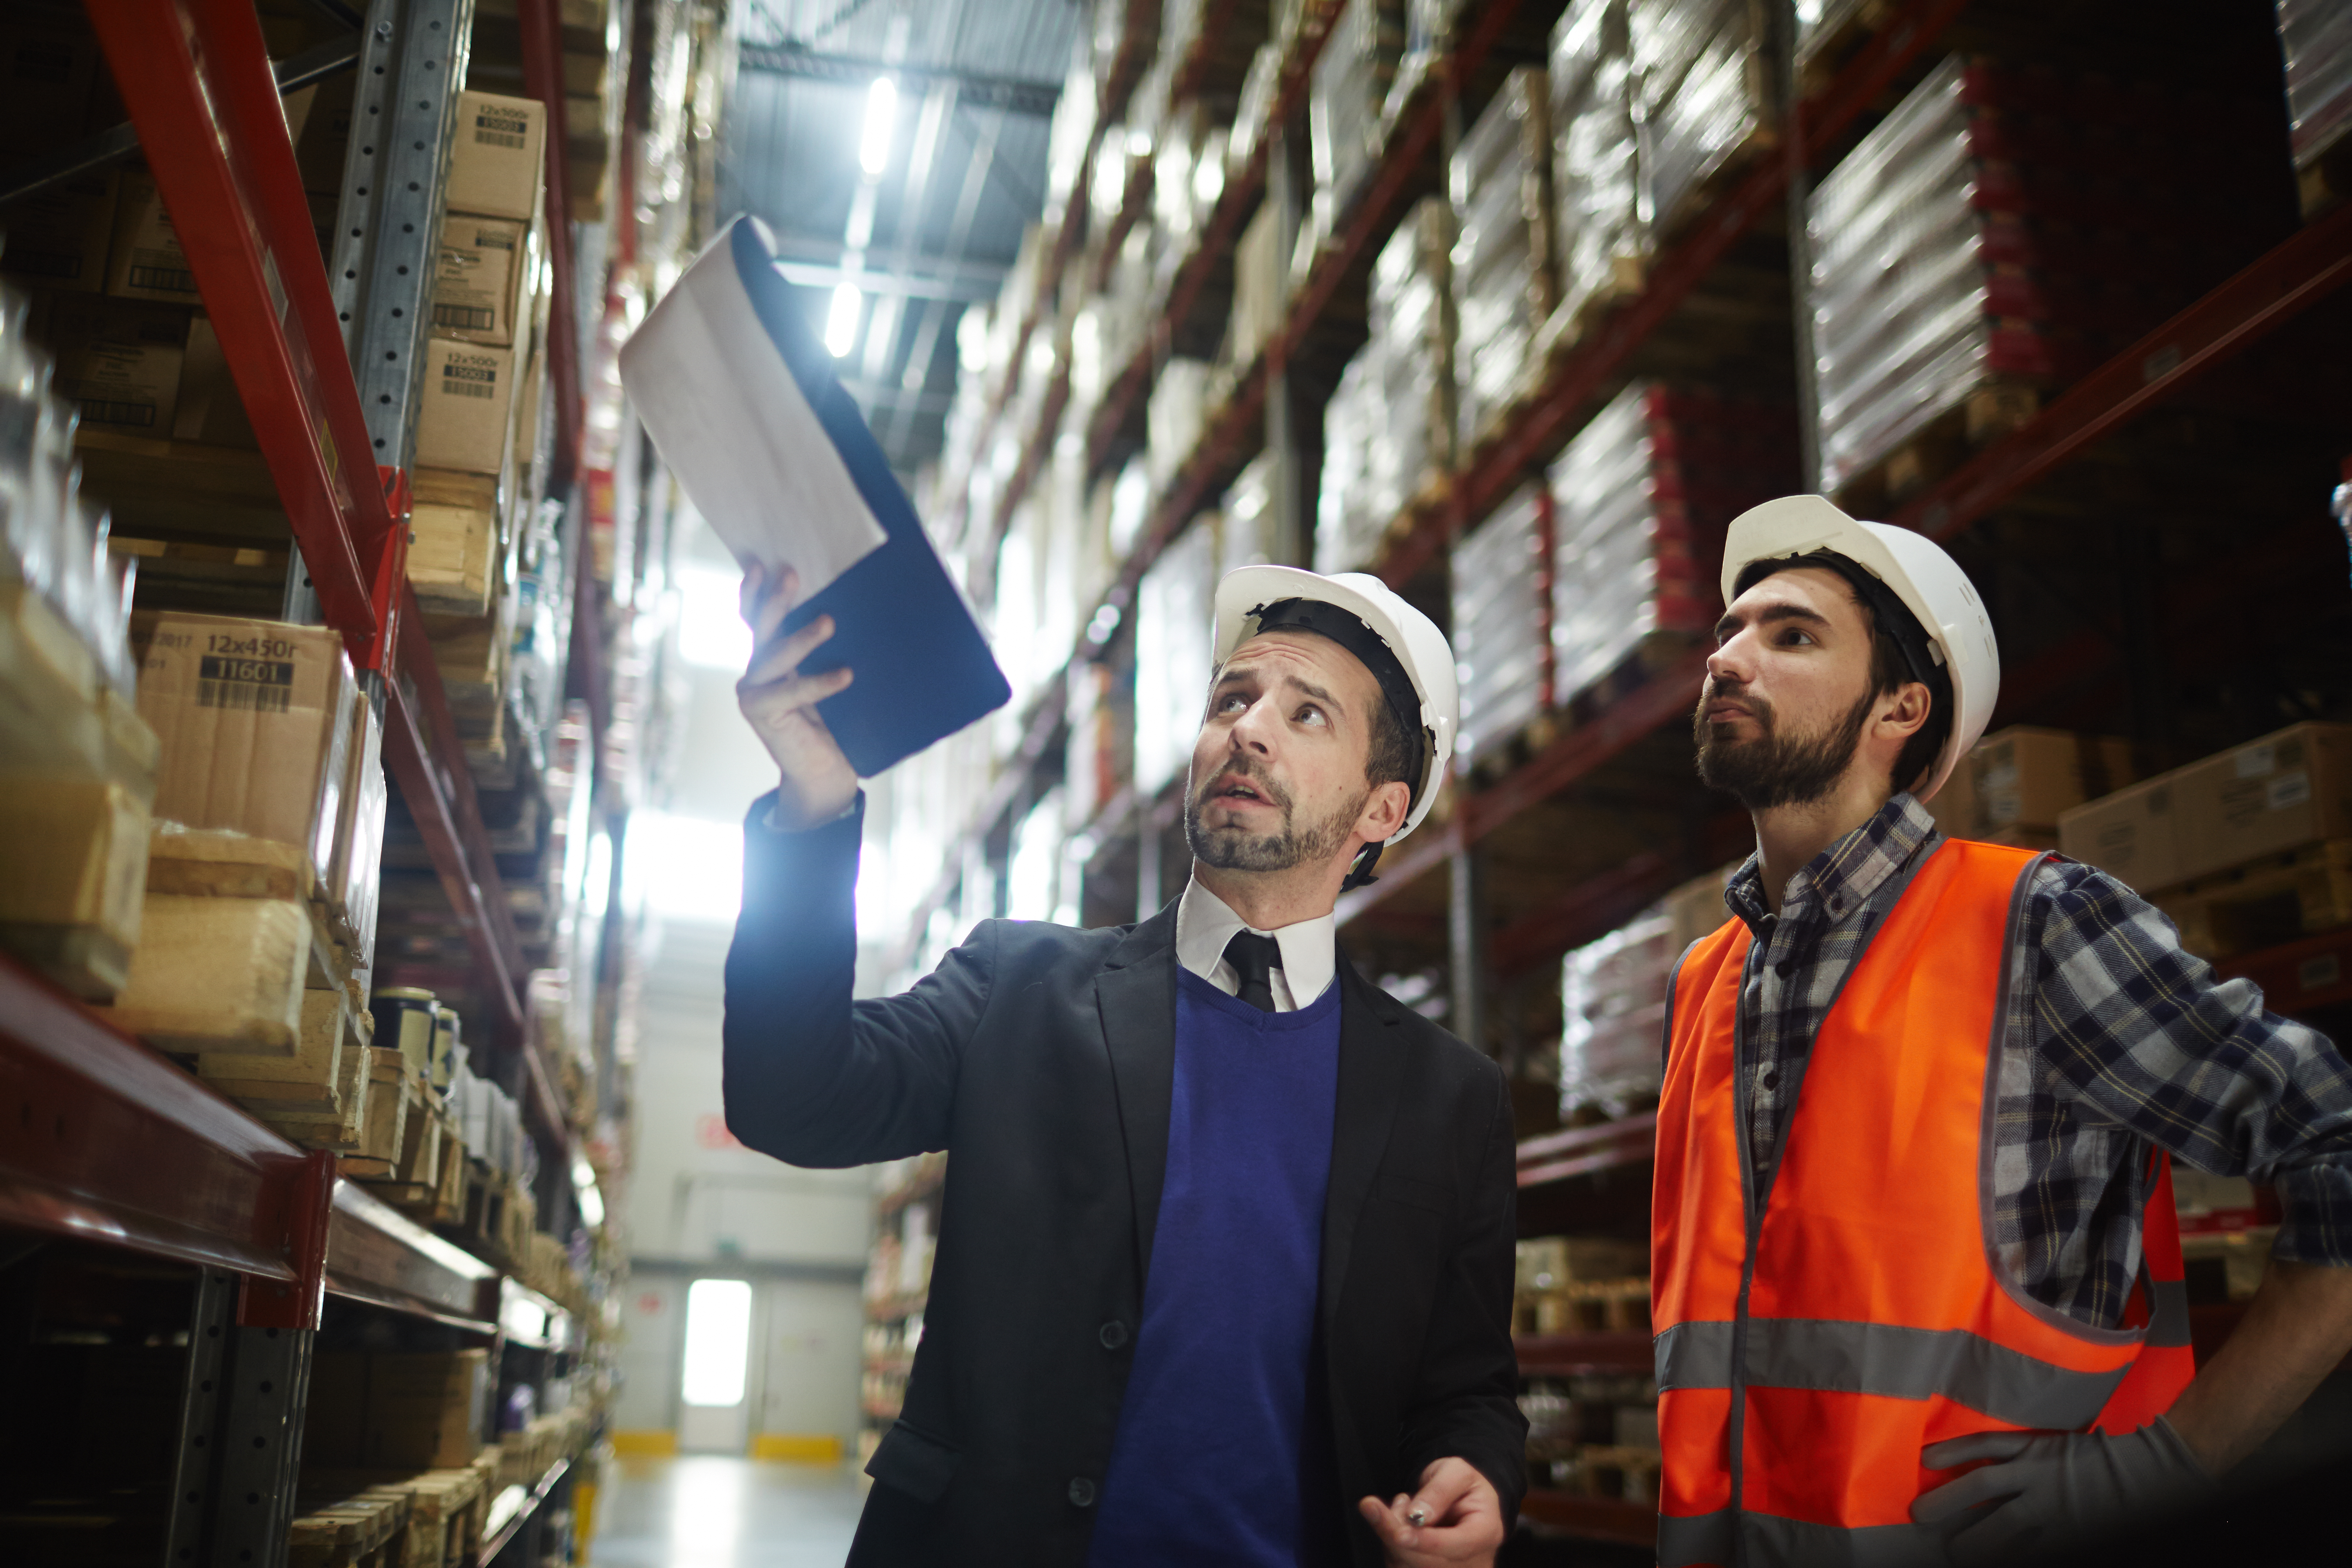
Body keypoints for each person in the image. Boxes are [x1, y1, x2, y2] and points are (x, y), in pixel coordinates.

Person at [722, 561, 1526, 1567]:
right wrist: (812, 804)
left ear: (1380, 810)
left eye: (1307, 714)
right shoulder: (1018, 987)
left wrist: (1478, 1472)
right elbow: (793, 1100)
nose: (1248, 727)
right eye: (1232, 697)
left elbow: (1468, 1388)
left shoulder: (1449, 1098)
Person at [1651, 494, 2352, 1566]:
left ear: (1900, 708)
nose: (1730, 659)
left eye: (1789, 634)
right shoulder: (1707, 981)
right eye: (1728, 632)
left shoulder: (2036, 925)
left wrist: (2167, 1467)